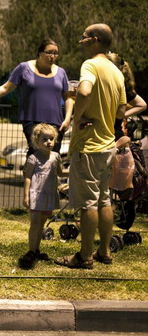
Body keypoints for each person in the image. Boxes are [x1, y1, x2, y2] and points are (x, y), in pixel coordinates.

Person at [54, 24, 126, 269]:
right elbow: (122, 109)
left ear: (94, 40)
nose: (80, 41)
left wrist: (77, 118)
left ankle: (84, 256)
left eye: (83, 37)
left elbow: (84, 91)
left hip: (89, 146)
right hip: (108, 144)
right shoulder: (116, 71)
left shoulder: (91, 65)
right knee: (104, 200)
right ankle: (104, 252)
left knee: (87, 204)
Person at [0, 39, 74, 156]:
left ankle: (48, 175)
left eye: (55, 53)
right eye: (49, 52)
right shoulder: (24, 68)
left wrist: (67, 119)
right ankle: (28, 175)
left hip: (56, 122)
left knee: (53, 158)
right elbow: (5, 88)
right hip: (32, 121)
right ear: (40, 53)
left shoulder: (61, 72)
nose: (52, 56)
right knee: (35, 155)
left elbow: (68, 97)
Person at [18, 124, 68, 269]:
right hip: (36, 195)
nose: (48, 142)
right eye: (45, 139)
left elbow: (60, 173)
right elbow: (28, 177)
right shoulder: (33, 158)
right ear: (37, 140)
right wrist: (26, 195)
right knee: (34, 224)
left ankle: (36, 249)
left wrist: (74, 172)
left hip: (49, 195)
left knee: (41, 224)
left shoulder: (55, 157)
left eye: (51, 139)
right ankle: (31, 251)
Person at [105, 52, 147, 140]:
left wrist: (122, 115)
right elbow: (142, 105)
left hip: (111, 133)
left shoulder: (121, 86)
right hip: (111, 132)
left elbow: (142, 105)